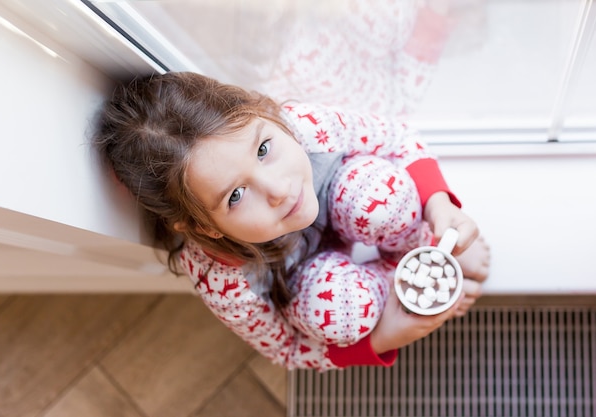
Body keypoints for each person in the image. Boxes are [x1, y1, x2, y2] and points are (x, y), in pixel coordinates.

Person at [93, 71, 490, 371]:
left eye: (264, 148)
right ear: (205, 228)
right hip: (311, 277)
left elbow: (398, 138)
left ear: (265, 115)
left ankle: (426, 249)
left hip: (346, 195)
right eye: (235, 195)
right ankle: (401, 288)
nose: (279, 189)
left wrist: (439, 206)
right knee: (333, 312)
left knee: (382, 195)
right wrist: (386, 334)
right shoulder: (223, 282)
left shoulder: (305, 127)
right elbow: (286, 348)